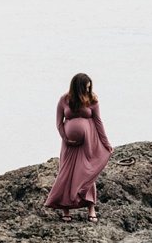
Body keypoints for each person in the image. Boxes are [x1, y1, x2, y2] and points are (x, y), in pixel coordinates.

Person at [44, 73, 113, 222]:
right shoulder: (64, 99)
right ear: (77, 87)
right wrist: (66, 138)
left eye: (89, 88)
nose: (87, 91)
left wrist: (106, 143)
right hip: (69, 146)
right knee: (66, 174)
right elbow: (59, 122)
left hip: (89, 143)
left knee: (87, 174)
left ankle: (91, 208)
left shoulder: (92, 99)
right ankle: (65, 210)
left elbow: (98, 122)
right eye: (85, 88)